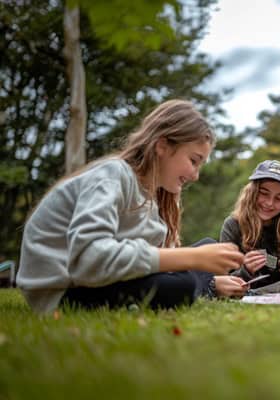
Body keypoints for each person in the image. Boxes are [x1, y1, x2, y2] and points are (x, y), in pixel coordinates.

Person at [17, 100, 246, 314]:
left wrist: (194, 260)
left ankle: (205, 284)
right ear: (163, 146)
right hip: (63, 291)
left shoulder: (154, 196)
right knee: (182, 284)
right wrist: (192, 259)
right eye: (193, 161)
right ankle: (203, 286)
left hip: (99, 282)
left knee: (207, 246)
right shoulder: (112, 175)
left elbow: (150, 263)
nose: (195, 176)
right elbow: (89, 259)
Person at [220, 160, 280, 293]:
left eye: (279, 198)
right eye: (264, 193)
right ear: (252, 192)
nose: (270, 203)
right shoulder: (233, 225)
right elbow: (223, 279)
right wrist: (245, 270)